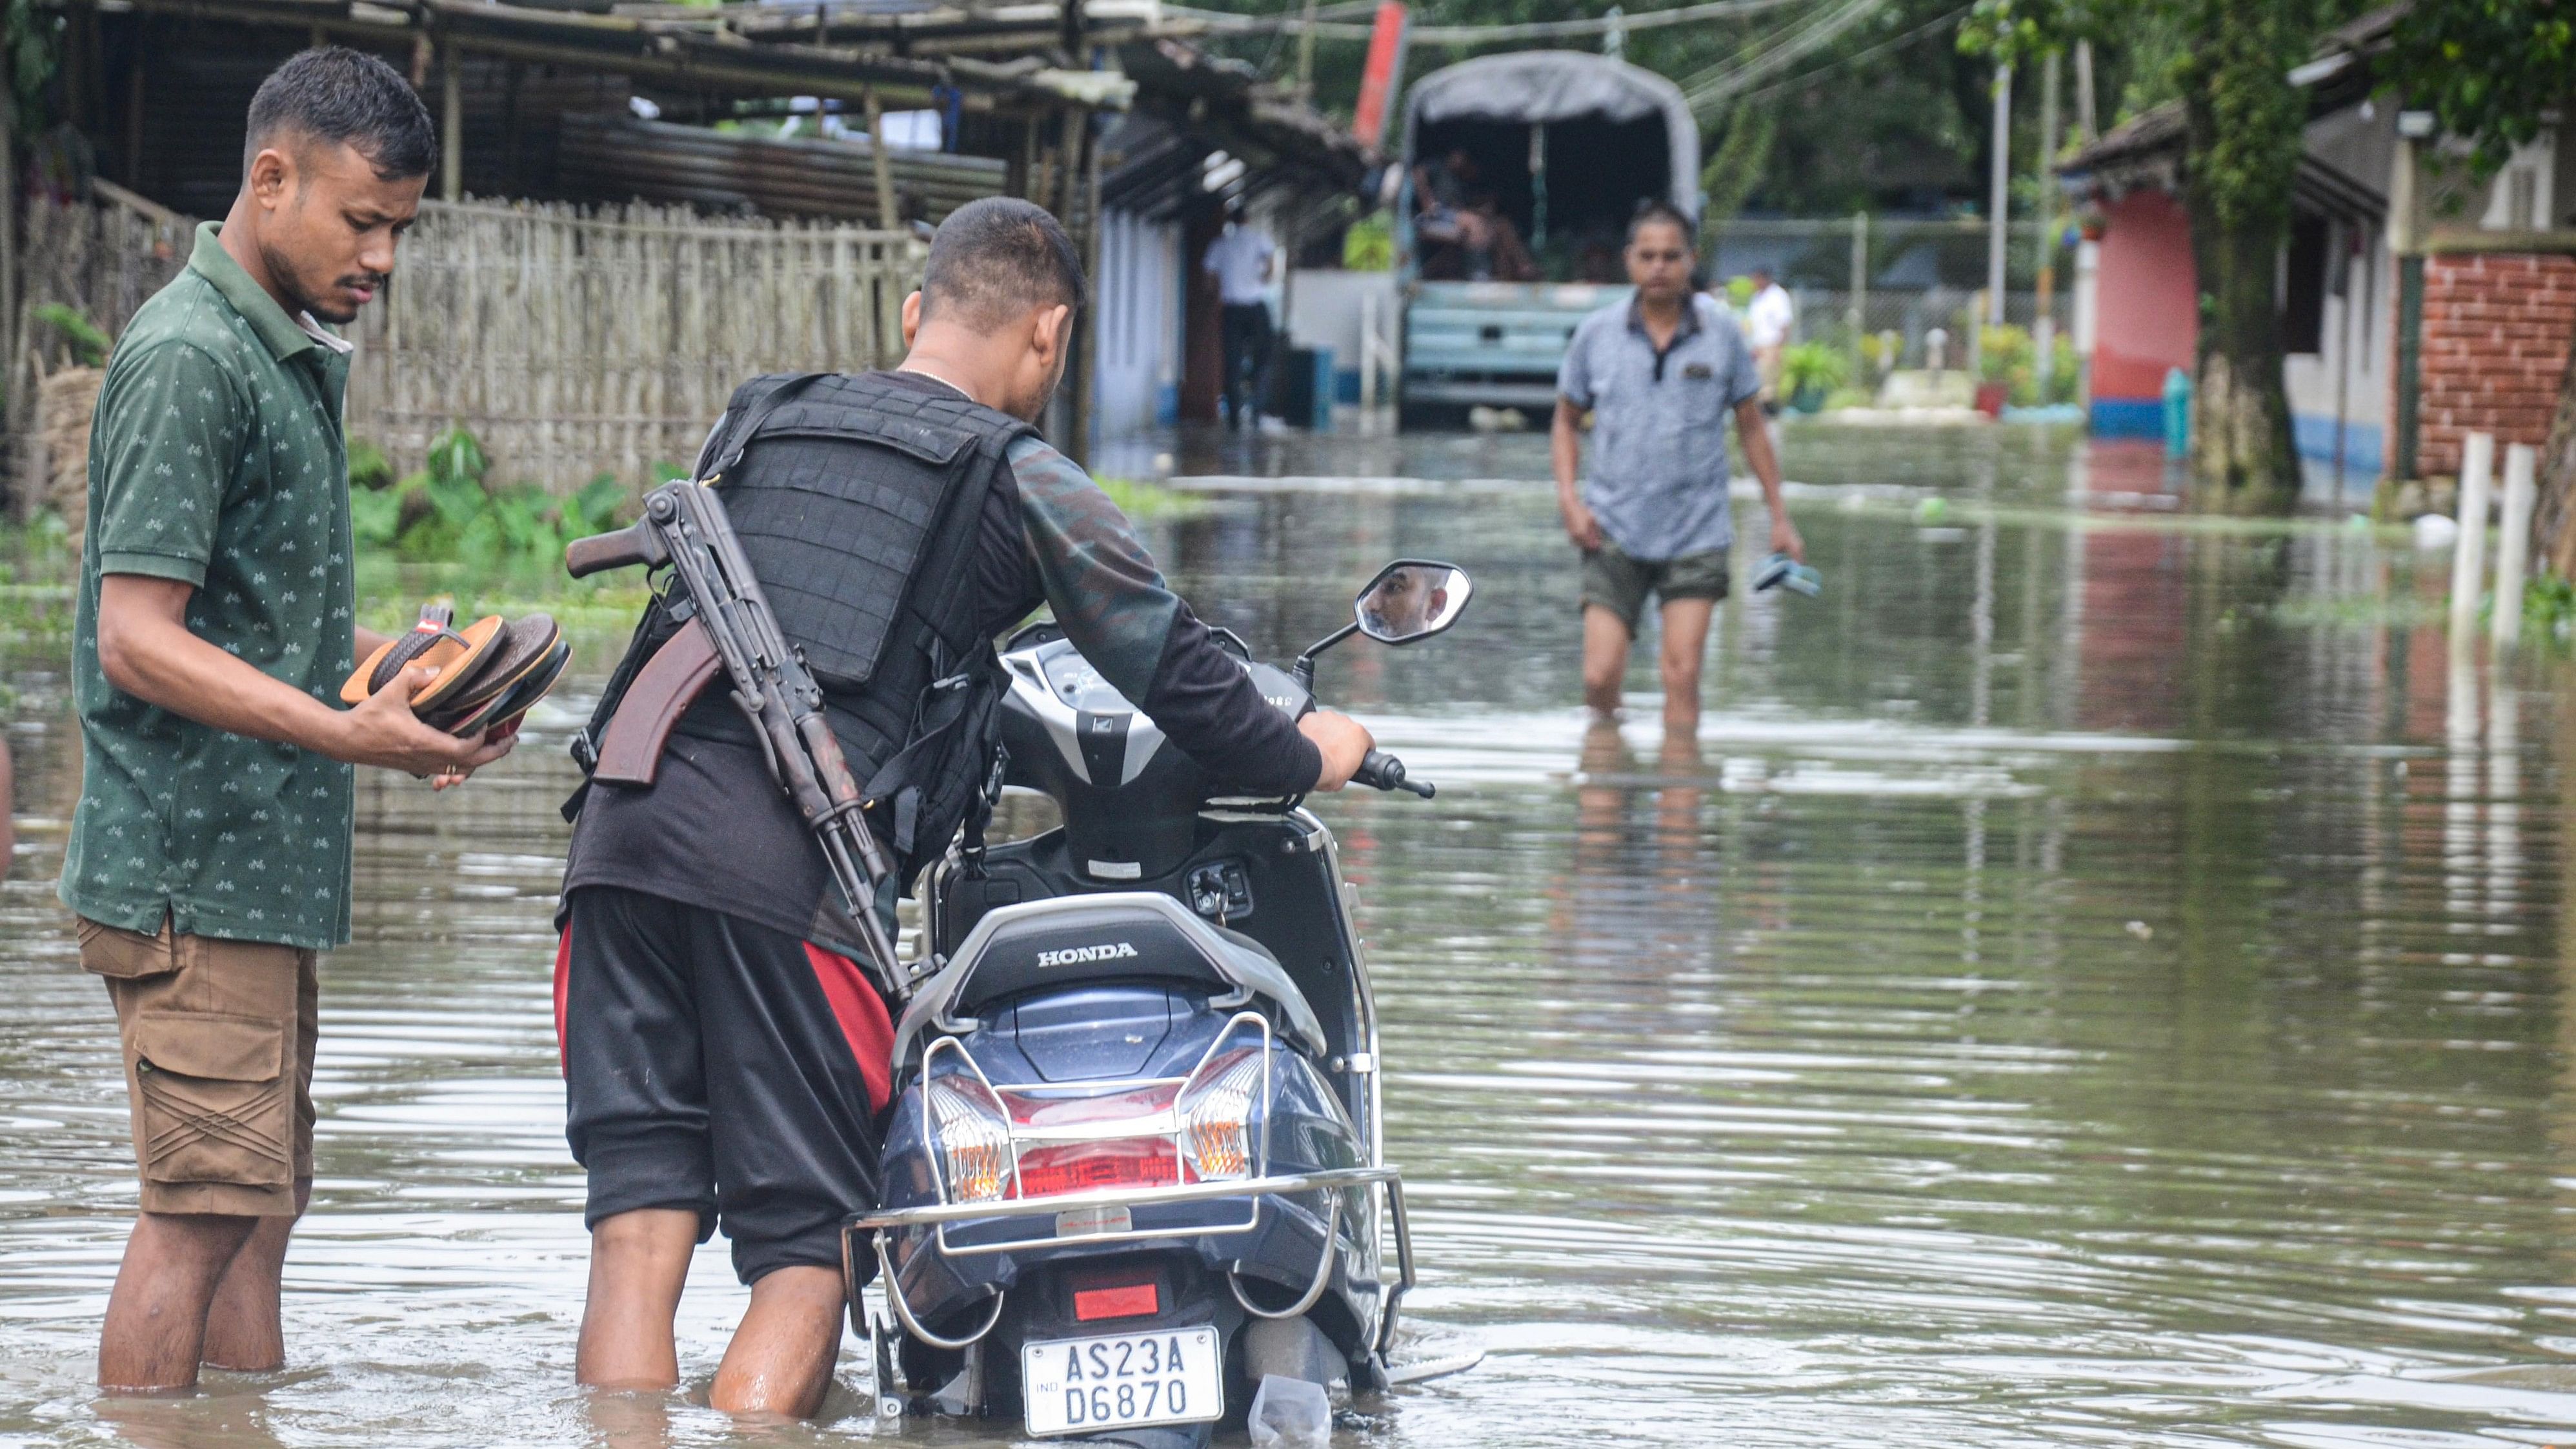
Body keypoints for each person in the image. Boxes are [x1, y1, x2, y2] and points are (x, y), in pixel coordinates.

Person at [556, 195, 1375, 1419]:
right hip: (783, 872)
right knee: (809, 1249)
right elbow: (1176, 669)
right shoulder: (1023, 472)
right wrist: (1318, 749)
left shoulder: (762, 417)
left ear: (912, 311)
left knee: (635, 1234)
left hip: (615, 838)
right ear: (1047, 336)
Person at [62, 48, 516, 1394]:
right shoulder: (190, 358)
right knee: (198, 1213)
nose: (381, 256)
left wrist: (396, 667)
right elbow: (134, 637)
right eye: (360, 220)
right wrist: (342, 732)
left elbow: (257, 625)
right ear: (272, 179)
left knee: (256, 1216)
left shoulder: (283, 350)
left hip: (260, 875)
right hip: (192, 872)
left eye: (401, 230)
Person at [1553, 202, 1802, 732]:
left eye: (1671, 256)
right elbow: (1565, 420)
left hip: (1697, 530)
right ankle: (1604, 787)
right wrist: (1570, 501)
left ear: (1692, 260)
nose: (1659, 267)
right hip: (1611, 529)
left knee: (1682, 675)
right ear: (1629, 261)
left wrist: (1779, 516)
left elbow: (1751, 426)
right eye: (1648, 256)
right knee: (1599, 677)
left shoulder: (1723, 335)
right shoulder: (1596, 336)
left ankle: (1680, 803)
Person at [1202, 202, 1275, 428]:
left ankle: (1234, 416)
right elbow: (1271, 263)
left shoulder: (1221, 244)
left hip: (1232, 308)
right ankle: (1256, 406)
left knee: (1232, 362)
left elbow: (1209, 276)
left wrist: (1217, 292)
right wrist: (1264, 279)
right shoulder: (1258, 239)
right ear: (1248, 219)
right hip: (1255, 306)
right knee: (1265, 354)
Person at [1741, 264, 1795, 411]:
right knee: (1758, 385)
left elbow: (1784, 324)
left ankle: (1772, 417)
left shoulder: (1777, 296)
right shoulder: (1757, 298)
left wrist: (1779, 348)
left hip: (1772, 346)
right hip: (1758, 347)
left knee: (1769, 387)